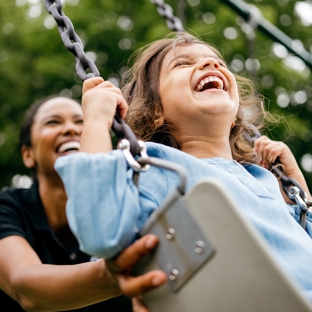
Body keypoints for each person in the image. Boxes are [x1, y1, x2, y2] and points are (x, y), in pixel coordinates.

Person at [54, 33, 312, 303]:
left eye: (218, 62)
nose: (211, 65)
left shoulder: (262, 178)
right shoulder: (156, 168)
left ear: (236, 117)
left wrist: (298, 191)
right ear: (155, 111)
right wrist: (95, 122)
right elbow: (101, 232)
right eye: (182, 64)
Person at [0, 96, 166, 311]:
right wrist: (109, 275)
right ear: (28, 155)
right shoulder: (8, 207)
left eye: (81, 122)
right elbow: (23, 286)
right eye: (53, 122)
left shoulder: (131, 205)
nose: (71, 129)